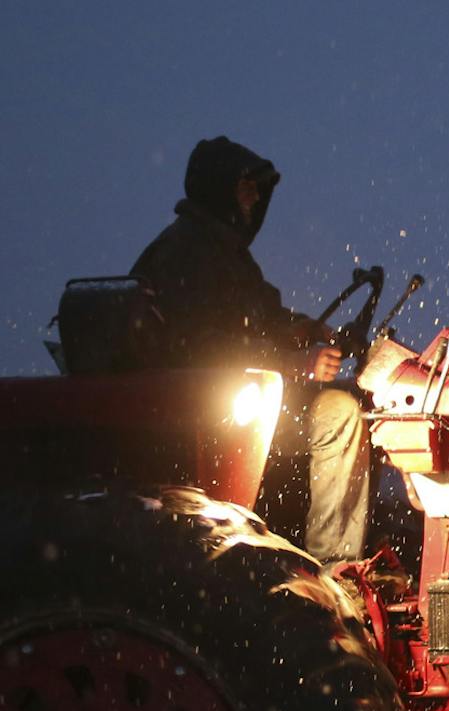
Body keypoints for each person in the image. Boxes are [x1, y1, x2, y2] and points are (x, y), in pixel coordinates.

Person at [128, 136, 369, 563]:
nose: (255, 197)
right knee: (340, 415)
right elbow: (203, 350)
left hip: (235, 403)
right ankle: (334, 567)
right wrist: (293, 364)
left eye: (258, 189)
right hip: (202, 418)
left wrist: (310, 330)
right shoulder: (186, 254)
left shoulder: (226, 254)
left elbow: (264, 316)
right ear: (219, 188)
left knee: (347, 400)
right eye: (246, 187)